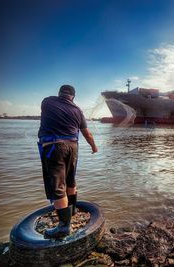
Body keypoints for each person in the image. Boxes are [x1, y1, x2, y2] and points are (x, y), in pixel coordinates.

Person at [38, 85, 98, 239]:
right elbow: (87, 133)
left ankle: (64, 227)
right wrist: (94, 147)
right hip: (73, 147)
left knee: (58, 186)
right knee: (70, 180)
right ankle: (72, 211)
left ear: (59, 93)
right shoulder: (78, 111)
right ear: (73, 97)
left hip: (54, 146)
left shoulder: (47, 101)